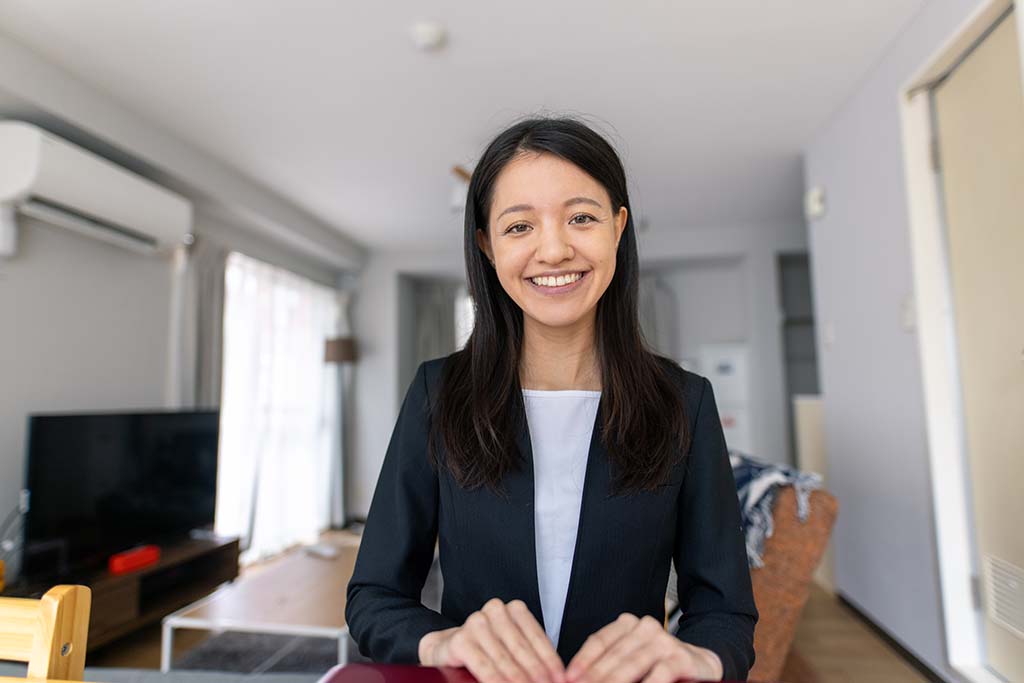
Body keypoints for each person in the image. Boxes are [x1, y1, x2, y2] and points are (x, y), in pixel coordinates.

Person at [345, 117, 758, 682]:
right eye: (520, 227)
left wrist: (699, 655)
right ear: (487, 247)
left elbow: (726, 612)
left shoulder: (685, 402)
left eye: (581, 218)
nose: (555, 249)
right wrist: (443, 642)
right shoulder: (437, 394)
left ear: (617, 228)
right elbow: (373, 597)